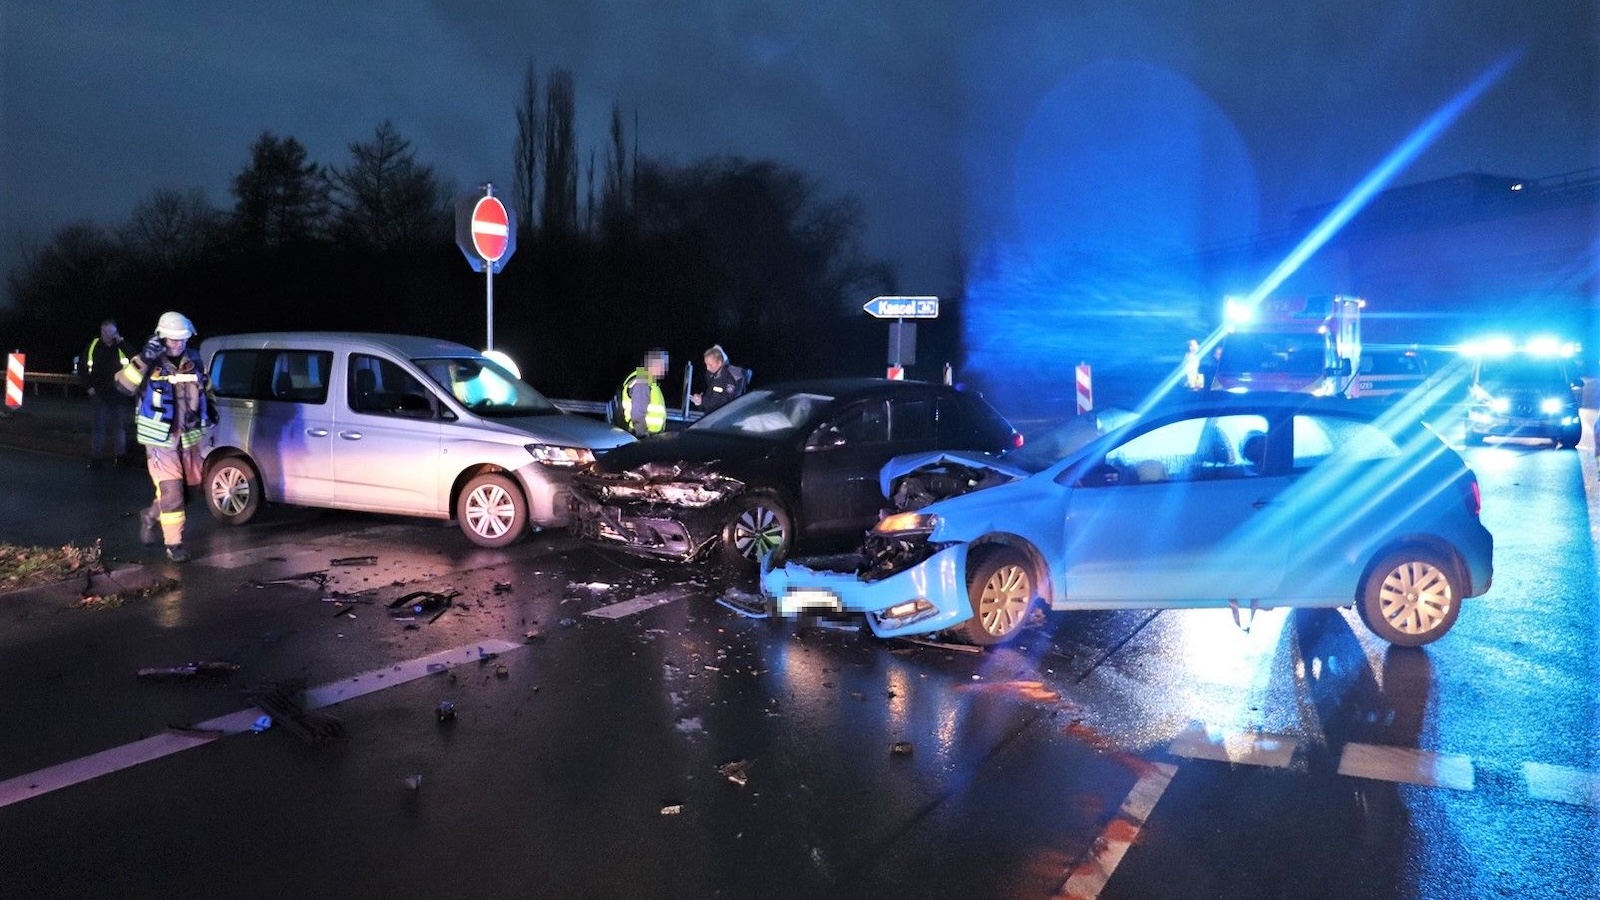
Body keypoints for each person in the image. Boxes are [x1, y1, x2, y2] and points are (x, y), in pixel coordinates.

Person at [115, 311, 214, 563]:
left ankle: (150, 515)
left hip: (189, 439)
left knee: (189, 492)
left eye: (182, 339)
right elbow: (123, 386)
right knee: (172, 493)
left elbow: (206, 388)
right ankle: (174, 544)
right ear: (161, 337)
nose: (177, 344)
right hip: (160, 440)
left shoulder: (194, 360)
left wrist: (209, 409)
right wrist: (144, 359)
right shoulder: (148, 361)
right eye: (172, 339)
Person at [83, 319, 131, 468]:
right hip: (99, 393)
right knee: (99, 428)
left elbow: (136, 359)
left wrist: (121, 342)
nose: (108, 335)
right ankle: (97, 459)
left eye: (111, 332)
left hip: (118, 393)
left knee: (119, 428)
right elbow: (83, 367)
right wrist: (88, 387)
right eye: (105, 332)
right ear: (101, 331)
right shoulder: (94, 346)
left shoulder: (121, 347)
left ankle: (121, 458)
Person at [617, 348, 668, 437]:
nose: (665, 369)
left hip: (647, 435)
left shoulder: (647, 380)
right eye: (663, 365)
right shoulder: (642, 382)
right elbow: (638, 414)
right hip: (642, 436)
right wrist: (643, 436)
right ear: (654, 364)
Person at [691, 344, 748, 415]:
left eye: (710, 365)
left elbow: (722, 404)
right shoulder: (714, 376)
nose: (707, 368)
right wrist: (699, 401)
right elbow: (711, 398)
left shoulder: (729, 379)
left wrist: (702, 401)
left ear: (720, 363)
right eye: (706, 364)